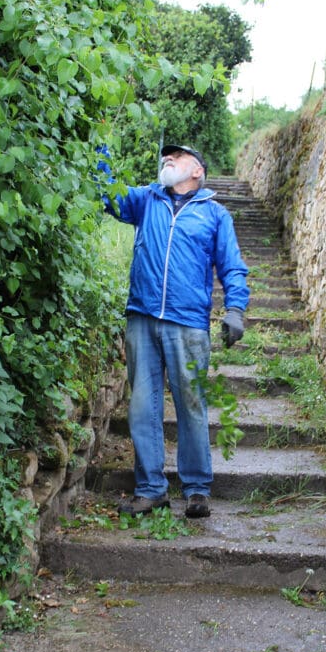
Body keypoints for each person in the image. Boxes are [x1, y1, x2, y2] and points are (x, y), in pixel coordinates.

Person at [101, 143, 249, 519]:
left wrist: (235, 309)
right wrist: (101, 144)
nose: (168, 159)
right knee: (141, 407)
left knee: (192, 405)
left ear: (197, 170)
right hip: (142, 317)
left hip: (188, 324)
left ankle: (197, 489)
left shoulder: (215, 214)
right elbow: (106, 191)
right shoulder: (146, 201)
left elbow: (232, 266)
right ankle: (151, 489)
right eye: (166, 156)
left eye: (178, 156)